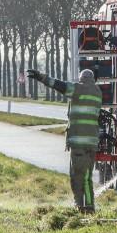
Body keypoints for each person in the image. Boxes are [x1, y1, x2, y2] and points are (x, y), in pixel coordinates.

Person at [26, 67, 102, 213]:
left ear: (81, 80)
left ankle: (80, 207)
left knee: (77, 177)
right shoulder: (97, 92)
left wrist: (42, 77)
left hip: (79, 143)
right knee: (87, 177)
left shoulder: (78, 89)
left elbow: (59, 85)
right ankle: (90, 207)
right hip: (92, 143)